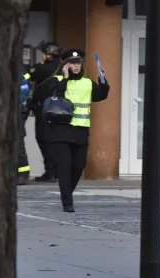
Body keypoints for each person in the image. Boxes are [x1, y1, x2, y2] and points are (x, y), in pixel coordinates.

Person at [47, 49, 109, 212]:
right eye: (72, 63)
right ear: (65, 64)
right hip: (60, 130)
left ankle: (67, 193)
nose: (76, 65)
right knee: (64, 167)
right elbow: (56, 95)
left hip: (80, 131)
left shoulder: (87, 83)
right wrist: (65, 79)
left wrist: (103, 80)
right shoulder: (58, 80)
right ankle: (67, 202)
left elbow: (101, 95)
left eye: (78, 63)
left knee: (78, 166)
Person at [25, 41, 63, 182]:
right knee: (54, 141)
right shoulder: (62, 67)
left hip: (44, 110)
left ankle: (50, 172)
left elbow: (28, 76)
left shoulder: (42, 68)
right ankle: (56, 171)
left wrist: (35, 67)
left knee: (43, 139)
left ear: (48, 54)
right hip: (58, 110)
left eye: (44, 53)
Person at [17, 72, 31, 185]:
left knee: (18, 146)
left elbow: (24, 92)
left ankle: (22, 174)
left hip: (14, 114)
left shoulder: (17, 72)